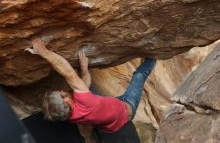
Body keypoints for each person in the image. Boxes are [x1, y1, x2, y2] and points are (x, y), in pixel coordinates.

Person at [25, 37, 156, 133]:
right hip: (127, 107)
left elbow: (84, 89)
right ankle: (154, 56)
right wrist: (43, 51)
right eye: (60, 93)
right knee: (139, 75)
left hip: (110, 123)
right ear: (65, 99)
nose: (61, 90)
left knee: (87, 90)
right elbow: (69, 73)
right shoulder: (86, 101)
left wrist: (84, 70)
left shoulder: (69, 116)